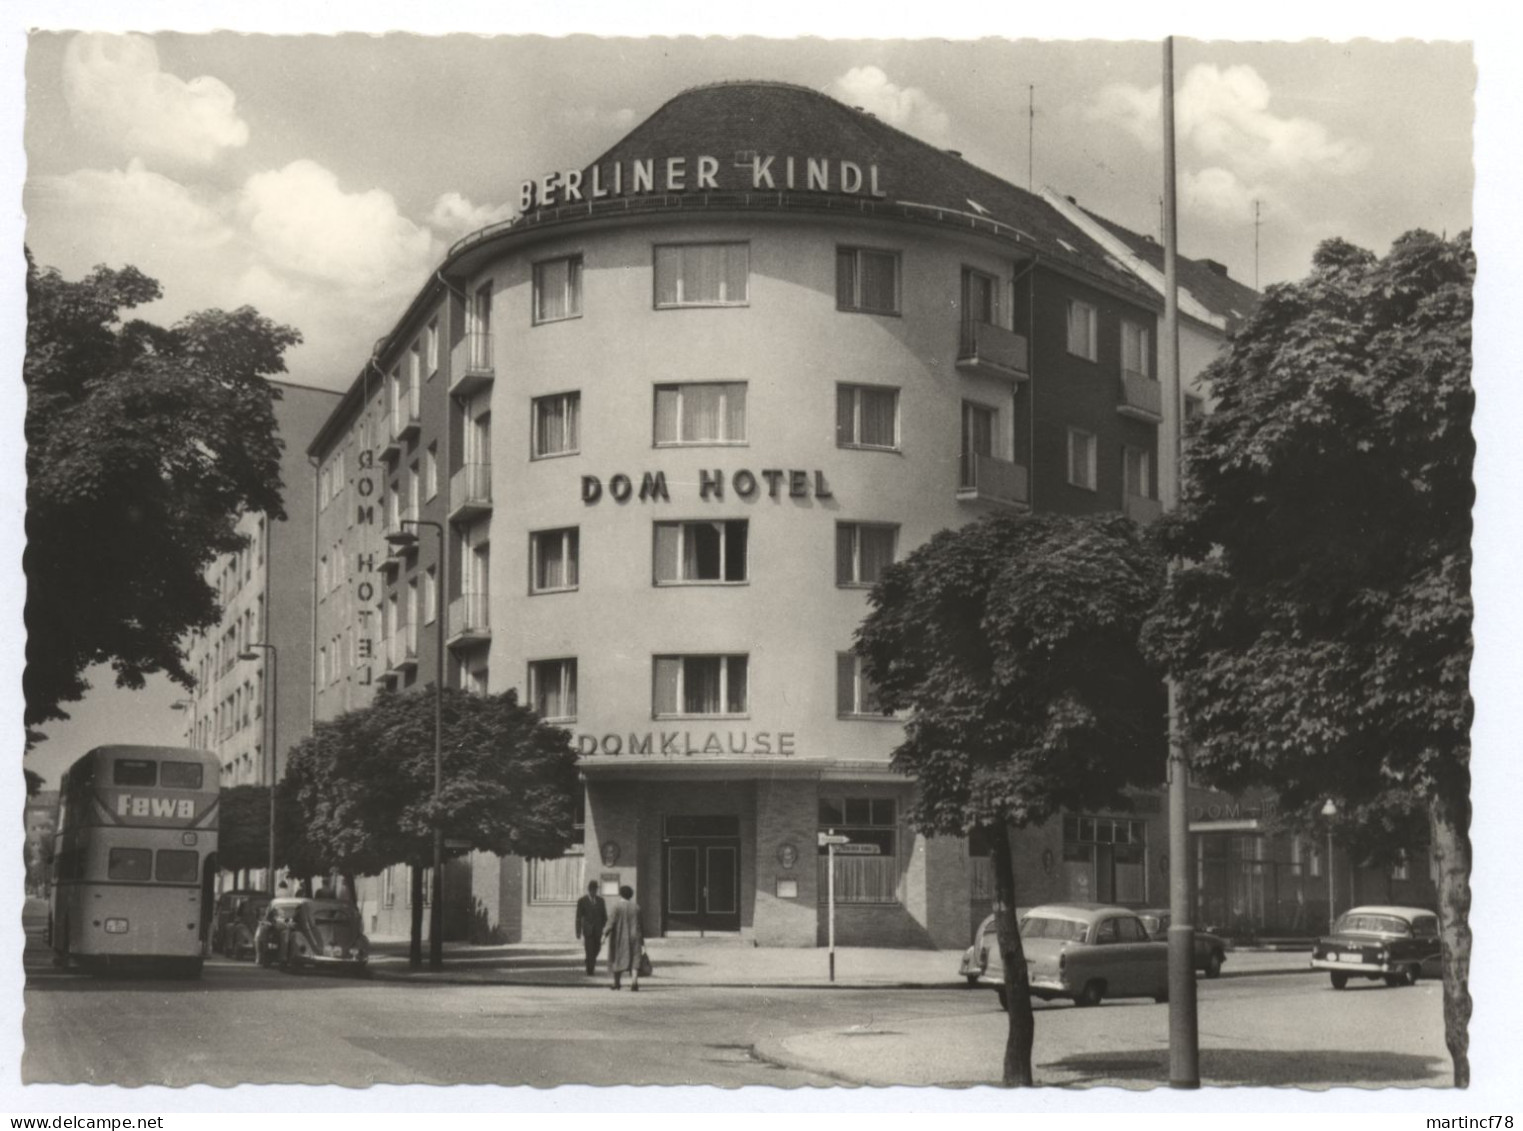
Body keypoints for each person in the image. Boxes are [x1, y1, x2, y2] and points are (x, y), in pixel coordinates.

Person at [603, 885, 643, 991]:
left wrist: (604, 935)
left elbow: (610, 922)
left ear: (620, 894)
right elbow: (640, 925)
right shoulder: (636, 907)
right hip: (635, 936)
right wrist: (642, 940)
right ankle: (634, 982)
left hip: (620, 937)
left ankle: (617, 983)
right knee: (635, 958)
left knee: (617, 958)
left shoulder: (616, 907)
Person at [574, 881, 608, 976]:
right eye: (592, 889)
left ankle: (589, 960)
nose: (594, 891)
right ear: (589, 890)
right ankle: (590, 970)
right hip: (588, 930)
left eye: (595, 889)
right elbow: (578, 917)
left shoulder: (601, 901)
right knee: (589, 950)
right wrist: (578, 931)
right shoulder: (582, 901)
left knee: (598, 948)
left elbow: (604, 915)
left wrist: (603, 926)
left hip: (598, 930)